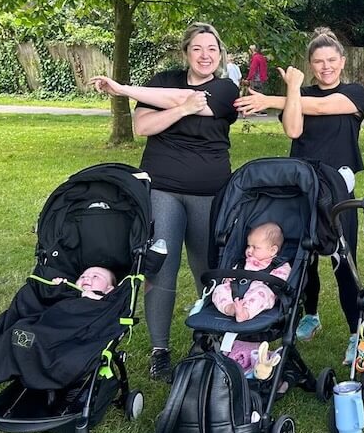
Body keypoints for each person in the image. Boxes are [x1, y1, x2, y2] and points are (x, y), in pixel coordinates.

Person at [91, 22, 238, 381]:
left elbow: (194, 103)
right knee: (159, 266)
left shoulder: (225, 87)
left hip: (211, 191)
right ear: (186, 52)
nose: (205, 56)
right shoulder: (160, 81)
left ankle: (207, 339)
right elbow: (143, 126)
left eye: (212, 50)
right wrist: (183, 108)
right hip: (162, 187)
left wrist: (124, 89)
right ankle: (160, 351)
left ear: (219, 55)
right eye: (198, 49)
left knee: (209, 269)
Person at [235, 28, 364, 343]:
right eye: (318, 61)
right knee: (301, 256)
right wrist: (293, 89)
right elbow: (293, 129)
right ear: (310, 64)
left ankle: (354, 331)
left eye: (331, 60)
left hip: (337, 188)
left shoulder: (354, 92)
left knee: (343, 260)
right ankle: (311, 314)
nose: (325, 67)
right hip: (302, 184)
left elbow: (321, 108)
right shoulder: (298, 92)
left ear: (343, 61)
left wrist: (270, 98)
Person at [211, 222, 292, 322]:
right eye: (248, 246)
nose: (249, 250)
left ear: (272, 250)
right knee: (220, 289)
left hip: (259, 290)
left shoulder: (280, 266)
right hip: (237, 288)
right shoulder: (244, 262)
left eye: (255, 247)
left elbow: (280, 281)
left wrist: (267, 281)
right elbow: (234, 272)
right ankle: (229, 308)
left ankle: (245, 312)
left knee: (263, 294)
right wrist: (229, 279)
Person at [51, 266, 117, 300]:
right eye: (82, 277)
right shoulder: (70, 293)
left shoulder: (111, 301)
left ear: (109, 289)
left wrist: (96, 298)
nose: (86, 278)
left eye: (95, 276)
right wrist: (58, 287)